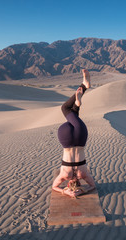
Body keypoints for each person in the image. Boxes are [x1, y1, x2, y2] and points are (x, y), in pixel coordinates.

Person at [52, 69, 96, 198]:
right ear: (68, 184)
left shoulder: (84, 175)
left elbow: (92, 186)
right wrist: (65, 191)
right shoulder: (64, 175)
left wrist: (83, 190)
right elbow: (54, 187)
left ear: (80, 183)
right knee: (65, 108)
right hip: (66, 139)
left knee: (73, 115)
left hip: (81, 137)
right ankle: (83, 88)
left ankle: (78, 102)